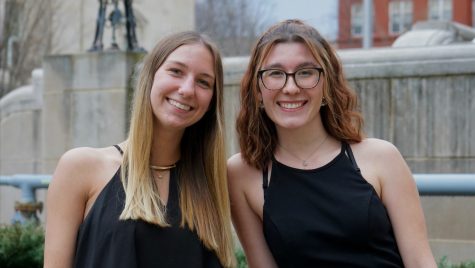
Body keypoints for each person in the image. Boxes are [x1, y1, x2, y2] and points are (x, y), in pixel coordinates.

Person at [228, 19, 436, 268]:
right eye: (275, 74)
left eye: (306, 72)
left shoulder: (382, 157)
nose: (291, 87)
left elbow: (420, 261)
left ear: (327, 85)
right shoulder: (242, 173)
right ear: (258, 89)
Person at [44, 31, 235, 268]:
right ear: (150, 76)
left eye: (203, 82)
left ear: (211, 102)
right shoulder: (81, 168)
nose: (187, 89)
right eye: (176, 71)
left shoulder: (212, 183)